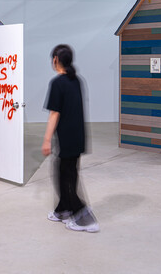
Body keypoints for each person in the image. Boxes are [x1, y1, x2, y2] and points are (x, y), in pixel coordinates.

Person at [43, 44, 99, 233]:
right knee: (67, 173)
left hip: (66, 138)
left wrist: (46, 140)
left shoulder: (57, 83)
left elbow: (54, 114)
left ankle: (84, 218)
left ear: (55, 60)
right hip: (78, 136)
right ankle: (63, 209)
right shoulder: (77, 80)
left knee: (65, 177)